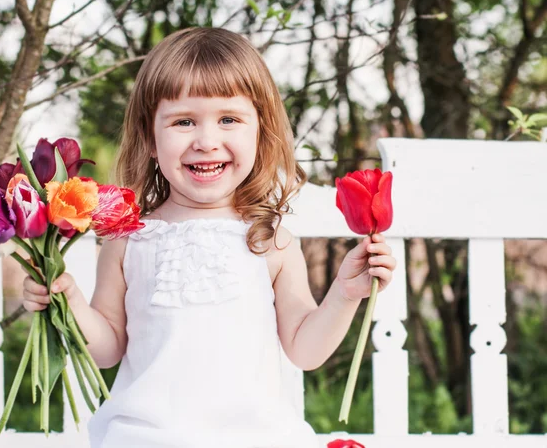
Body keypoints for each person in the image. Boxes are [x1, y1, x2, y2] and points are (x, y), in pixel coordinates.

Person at [22, 27, 397, 448]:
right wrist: (67, 299)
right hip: (148, 438)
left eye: (229, 120)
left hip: (256, 439)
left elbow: (305, 351)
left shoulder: (271, 242)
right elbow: (107, 348)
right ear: (149, 137)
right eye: (183, 121)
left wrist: (345, 295)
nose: (206, 141)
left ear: (260, 130)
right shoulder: (128, 240)